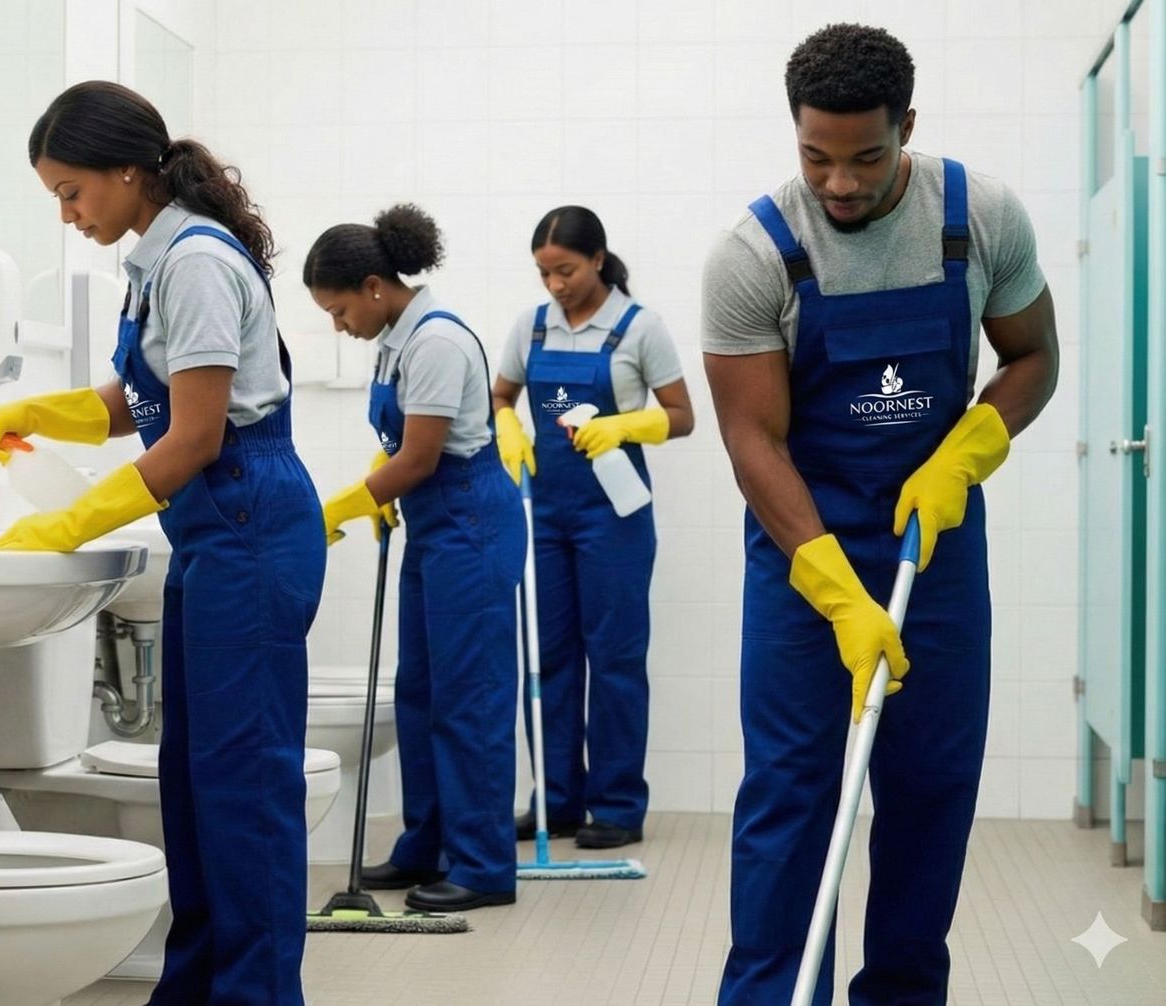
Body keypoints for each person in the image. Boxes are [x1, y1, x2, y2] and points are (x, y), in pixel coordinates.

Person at [701, 25, 1058, 1005]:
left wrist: (973, 446)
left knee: (929, 794)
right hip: (802, 559)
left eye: (865, 157)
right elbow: (752, 444)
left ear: (907, 125)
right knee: (790, 799)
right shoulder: (754, 252)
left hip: (932, 547)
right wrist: (835, 591)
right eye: (816, 157)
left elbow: (1033, 358)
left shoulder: (980, 216)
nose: (840, 183)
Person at [0, 81, 325, 1006]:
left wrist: (63, 523)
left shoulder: (197, 262)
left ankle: (255, 995)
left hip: (246, 517)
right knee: (196, 786)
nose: (68, 213)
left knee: (242, 793)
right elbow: (142, 402)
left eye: (72, 191)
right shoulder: (156, 260)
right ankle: (201, 989)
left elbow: (196, 436)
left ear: (128, 170)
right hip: (218, 529)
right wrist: (34, 413)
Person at [308, 204, 525, 912]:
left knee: (470, 699)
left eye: (340, 311)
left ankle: (484, 865)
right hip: (437, 525)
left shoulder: (434, 341)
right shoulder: (396, 337)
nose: (340, 326)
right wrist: (383, 484)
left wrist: (340, 507)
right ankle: (427, 845)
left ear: (375, 286)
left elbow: (424, 456)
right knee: (423, 694)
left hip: (470, 522)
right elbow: (406, 447)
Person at [491, 205, 693, 849]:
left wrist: (626, 425)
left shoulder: (640, 328)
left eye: (567, 270)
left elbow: (682, 416)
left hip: (615, 516)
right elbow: (500, 394)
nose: (555, 285)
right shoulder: (531, 327)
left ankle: (617, 805)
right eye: (544, 273)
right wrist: (506, 423)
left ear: (598, 260)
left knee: (614, 660)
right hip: (543, 512)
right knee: (546, 659)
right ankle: (555, 801)